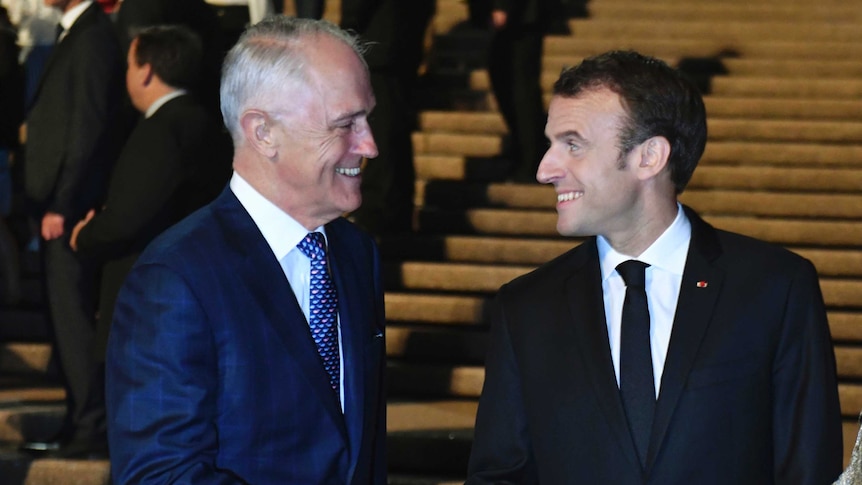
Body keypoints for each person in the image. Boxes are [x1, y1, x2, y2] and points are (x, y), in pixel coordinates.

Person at [466, 50, 843, 484]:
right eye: (551, 144)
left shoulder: (775, 288)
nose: (544, 169)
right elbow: (500, 475)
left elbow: (807, 469)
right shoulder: (527, 306)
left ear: (649, 157)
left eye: (573, 145)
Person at [106, 16, 386, 484]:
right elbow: (160, 474)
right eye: (345, 124)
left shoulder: (357, 254)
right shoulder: (175, 277)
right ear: (263, 132)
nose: (370, 145)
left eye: (367, 118)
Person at [70, 24, 231, 380]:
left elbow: (130, 216)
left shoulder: (162, 129)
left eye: (129, 65)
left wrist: (86, 234)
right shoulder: (206, 123)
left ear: (146, 71)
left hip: (148, 302)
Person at [22, 0, 123, 457]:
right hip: (57, 204)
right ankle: (77, 420)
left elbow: (87, 127)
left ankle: (89, 424)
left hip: (70, 209)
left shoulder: (93, 37)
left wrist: (63, 203)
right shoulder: (79, 34)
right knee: (64, 322)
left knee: (73, 320)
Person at [341, 0, 435, 235]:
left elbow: (357, 10)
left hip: (380, 46)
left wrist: (345, 31)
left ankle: (377, 210)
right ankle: (397, 211)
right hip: (401, 46)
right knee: (395, 131)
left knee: (382, 132)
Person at [468, 0, 564, 183]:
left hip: (521, 15)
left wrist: (503, 6)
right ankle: (525, 149)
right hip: (520, 14)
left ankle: (531, 157)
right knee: (507, 78)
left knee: (519, 85)